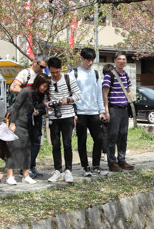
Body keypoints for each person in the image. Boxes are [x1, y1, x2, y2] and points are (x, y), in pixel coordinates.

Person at [5, 73, 49, 186]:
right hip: (18, 122)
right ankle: (10, 176)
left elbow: (43, 109)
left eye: (46, 87)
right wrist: (12, 123)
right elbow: (16, 107)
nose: (45, 89)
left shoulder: (39, 95)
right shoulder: (26, 91)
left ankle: (26, 175)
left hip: (29, 124)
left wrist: (37, 111)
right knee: (14, 148)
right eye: (43, 86)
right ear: (38, 83)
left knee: (27, 150)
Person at [44, 56, 82, 183]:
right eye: (52, 72)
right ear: (49, 70)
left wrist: (67, 100)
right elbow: (43, 96)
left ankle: (68, 170)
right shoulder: (47, 81)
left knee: (67, 143)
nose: (54, 75)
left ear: (61, 69)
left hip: (68, 115)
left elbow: (78, 95)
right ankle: (57, 170)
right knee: (55, 144)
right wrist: (47, 103)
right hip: (53, 116)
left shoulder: (68, 78)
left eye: (57, 72)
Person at [74, 48, 106, 177]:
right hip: (80, 112)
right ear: (81, 58)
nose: (90, 63)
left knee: (98, 139)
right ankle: (85, 166)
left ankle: (96, 165)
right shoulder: (74, 73)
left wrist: (102, 111)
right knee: (82, 140)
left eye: (92, 60)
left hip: (94, 112)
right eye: (88, 60)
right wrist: (74, 113)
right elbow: (71, 94)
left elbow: (99, 93)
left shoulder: (96, 74)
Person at [102, 54, 135, 171]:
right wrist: (106, 111)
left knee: (123, 135)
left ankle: (122, 160)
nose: (122, 61)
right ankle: (112, 163)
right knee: (112, 136)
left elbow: (128, 91)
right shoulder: (109, 75)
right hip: (113, 109)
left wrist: (132, 102)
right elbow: (105, 94)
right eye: (119, 59)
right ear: (115, 60)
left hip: (124, 109)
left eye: (124, 59)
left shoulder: (125, 75)